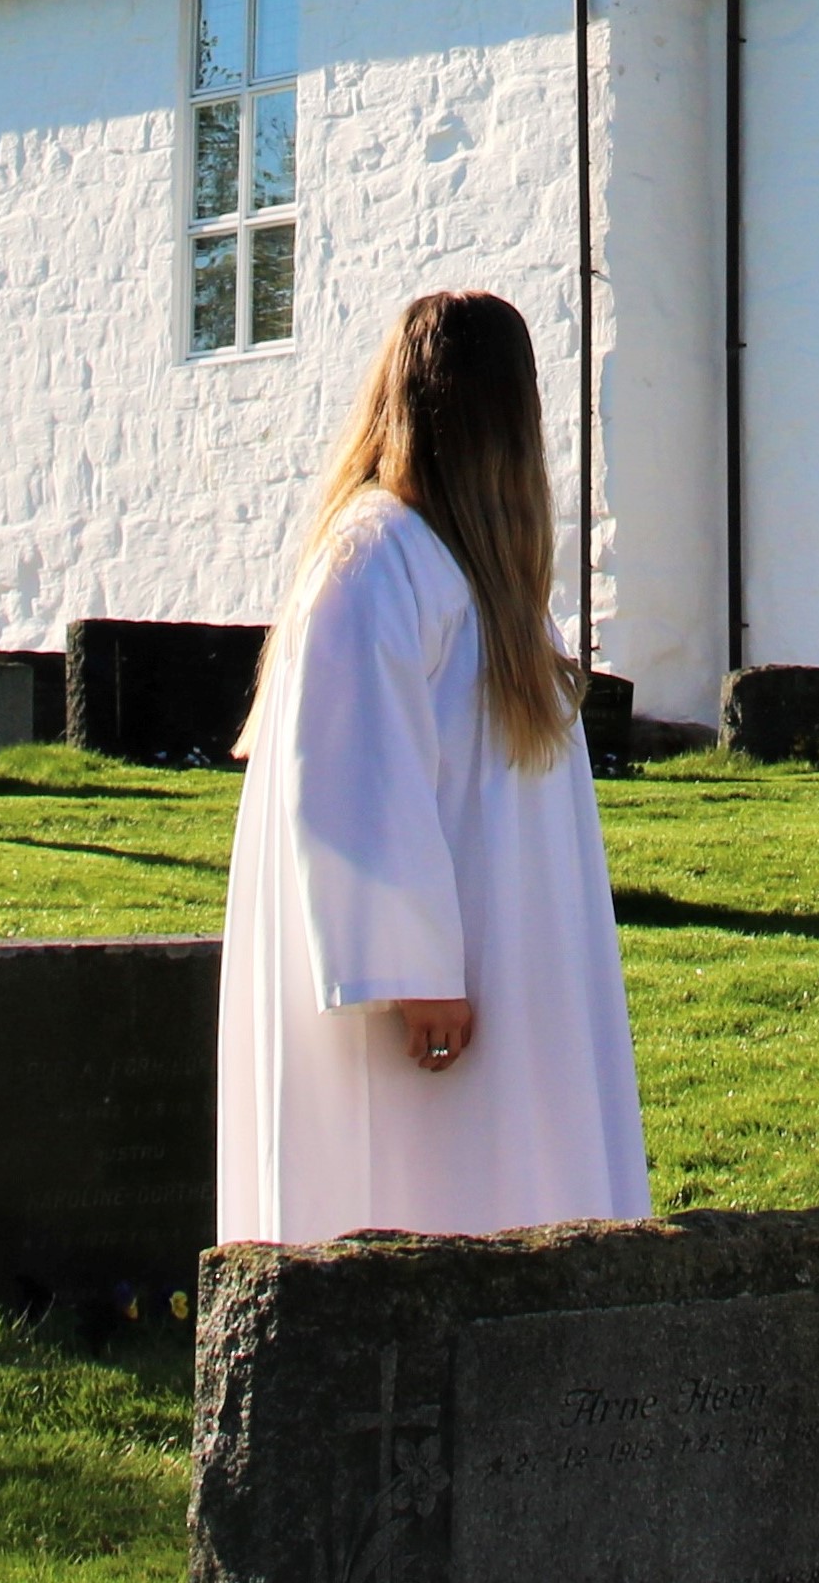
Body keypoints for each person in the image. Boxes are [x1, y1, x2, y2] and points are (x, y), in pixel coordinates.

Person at [214, 286, 652, 1244]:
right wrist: (414, 970)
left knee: (517, 1177)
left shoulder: (486, 579)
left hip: (513, 955)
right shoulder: (373, 559)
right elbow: (348, 775)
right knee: (414, 1190)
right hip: (424, 1005)